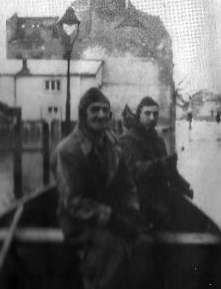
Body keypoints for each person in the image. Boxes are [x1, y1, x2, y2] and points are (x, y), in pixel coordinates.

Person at [51, 87, 145, 289]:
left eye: (105, 110)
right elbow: (73, 202)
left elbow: (127, 185)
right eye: (94, 110)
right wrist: (112, 219)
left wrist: (132, 211)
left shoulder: (113, 143)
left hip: (111, 214)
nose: (101, 115)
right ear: (83, 114)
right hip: (78, 220)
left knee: (140, 240)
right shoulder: (67, 151)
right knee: (109, 246)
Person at [120, 96, 193, 231]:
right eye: (147, 113)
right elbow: (135, 172)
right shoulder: (129, 140)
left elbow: (168, 171)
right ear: (139, 115)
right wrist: (162, 164)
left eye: (155, 114)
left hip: (159, 196)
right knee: (166, 221)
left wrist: (183, 186)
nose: (152, 117)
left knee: (184, 214)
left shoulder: (158, 140)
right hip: (138, 199)